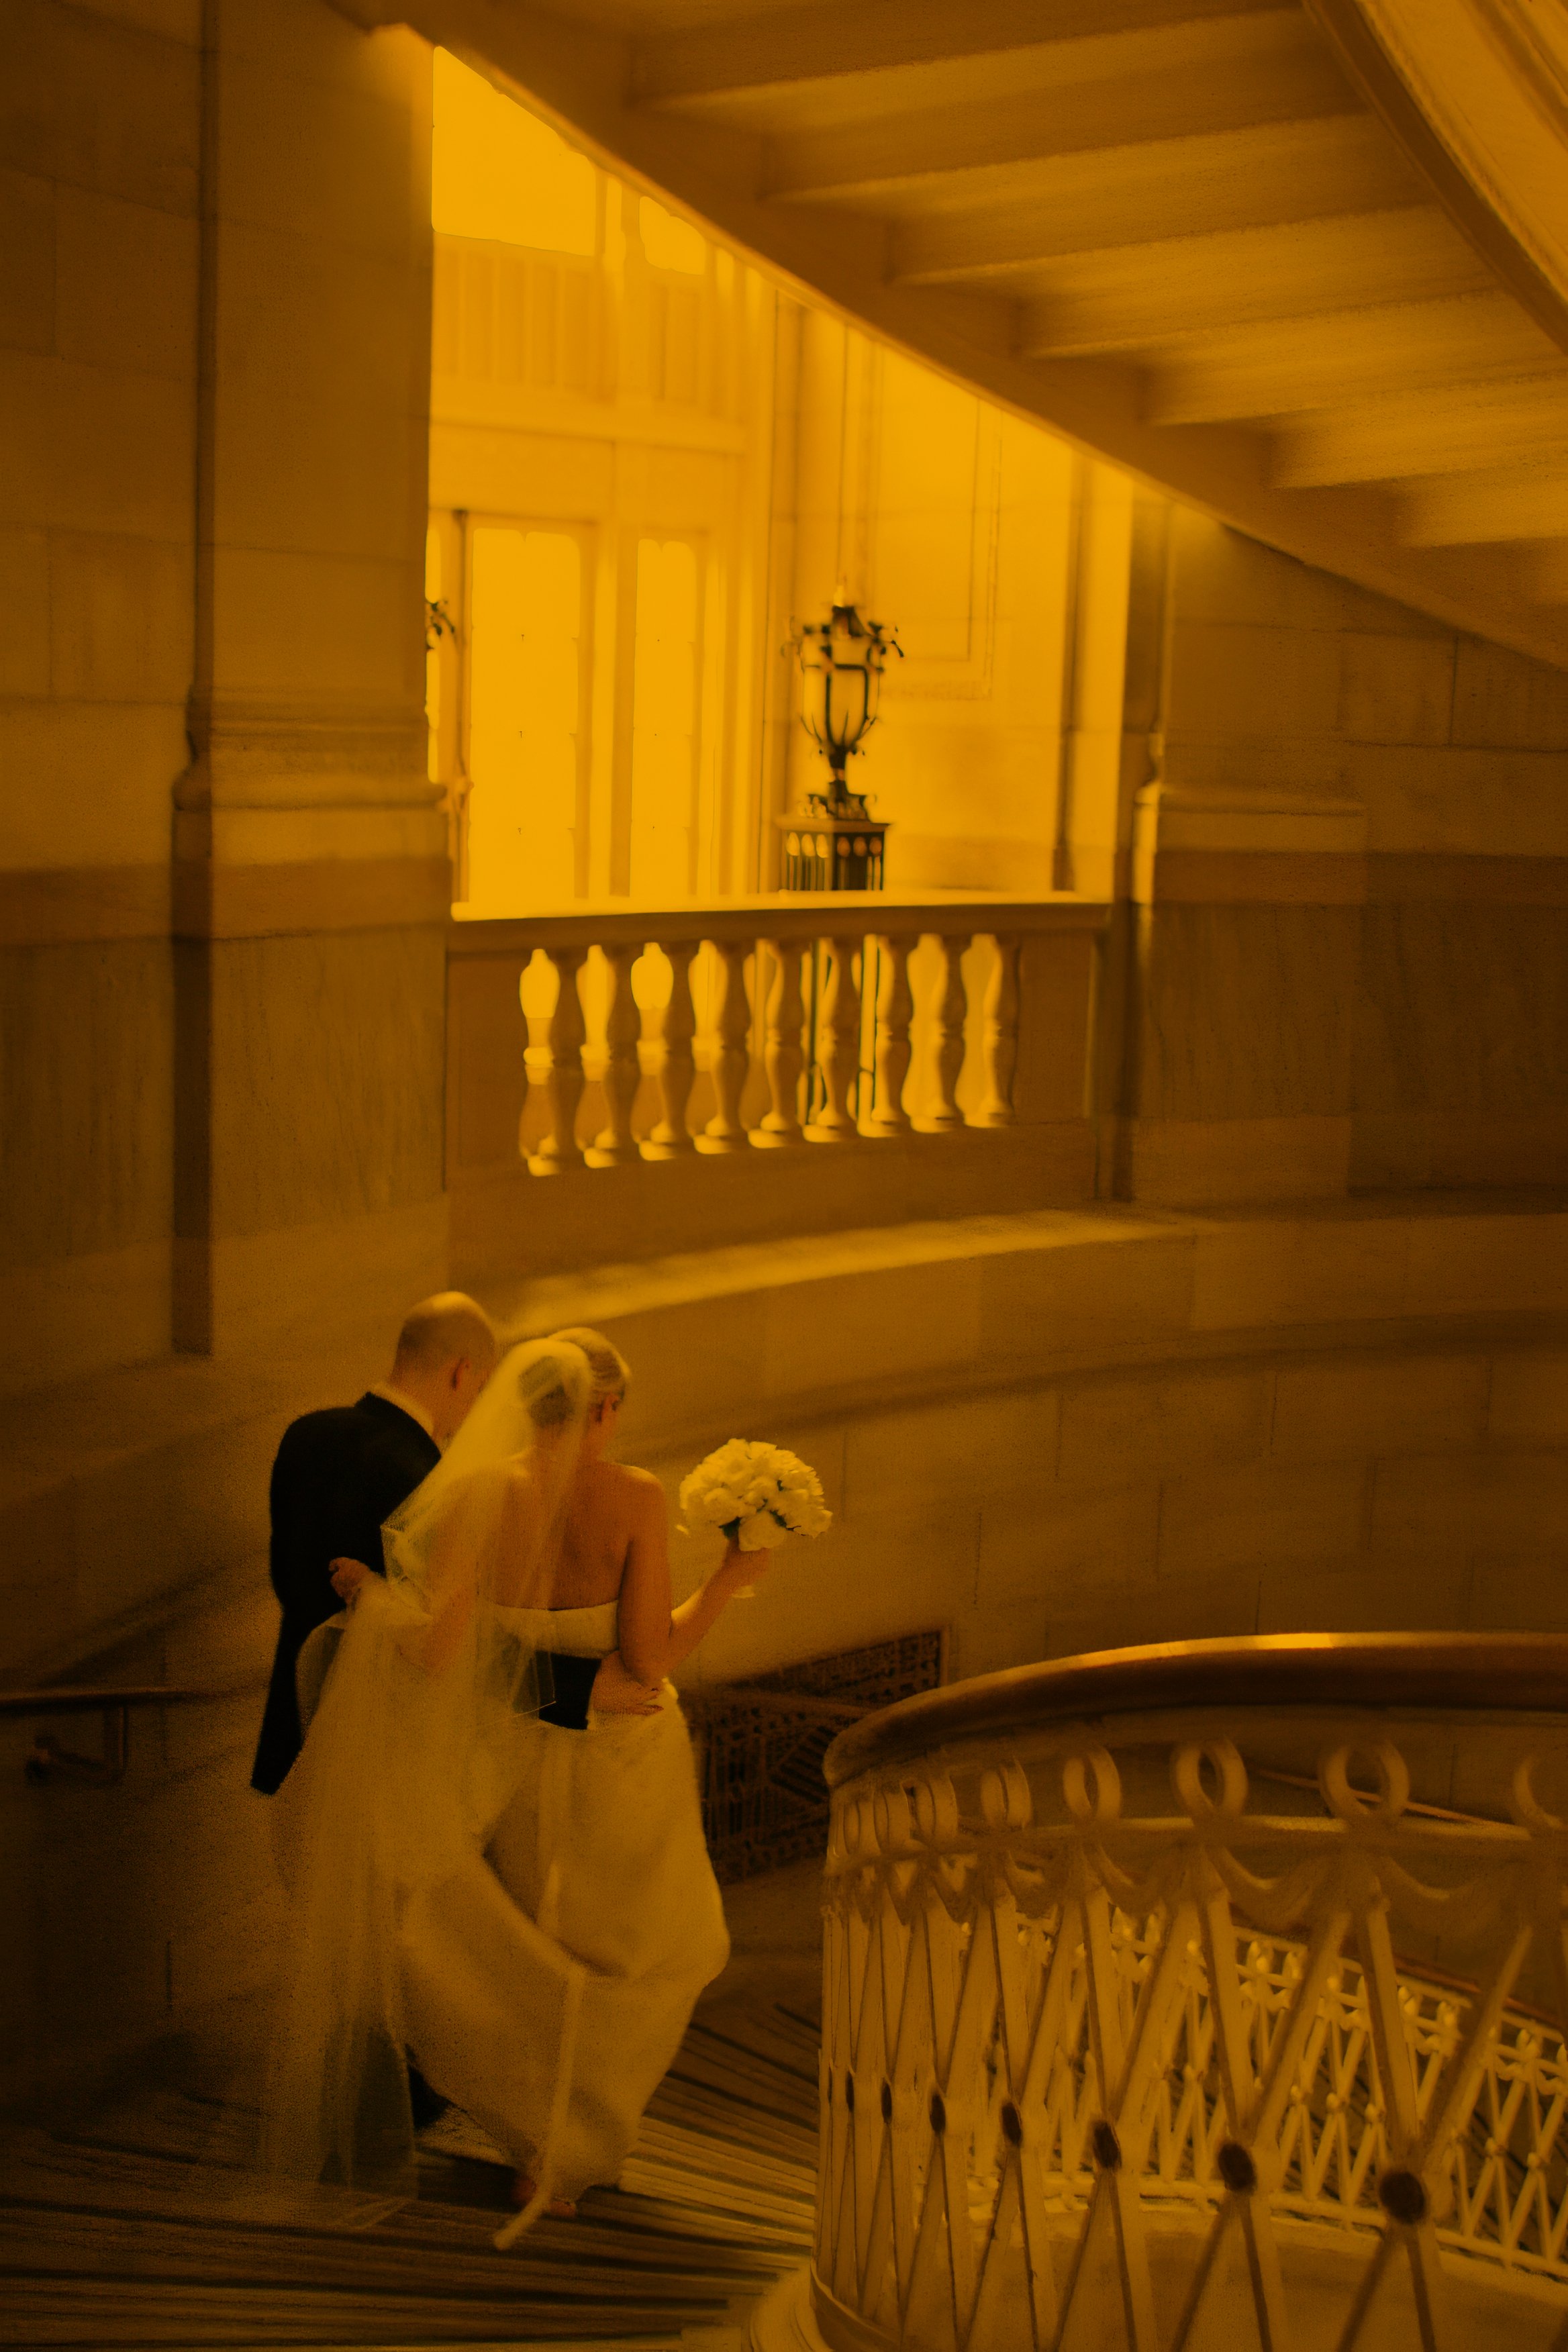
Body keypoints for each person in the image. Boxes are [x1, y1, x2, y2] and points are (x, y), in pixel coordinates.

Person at [260, 1329, 761, 2234]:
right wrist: (727, 1583)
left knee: (522, 1952)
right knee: (650, 1958)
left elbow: (441, 1648)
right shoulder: (635, 1497)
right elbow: (646, 1659)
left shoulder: (477, 1491)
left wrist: (377, 1601)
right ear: (607, 1410)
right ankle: (574, 2146)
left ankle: (539, 2148)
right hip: (620, 1758)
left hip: (505, 1759)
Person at [250, 1292, 497, 1800]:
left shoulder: (305, 1435)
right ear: (461, 1372)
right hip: (385, 1750)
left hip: (295, 1730)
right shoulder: (431, 1482)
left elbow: (288, 1581)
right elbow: (443, 1642)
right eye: (480, 1386)